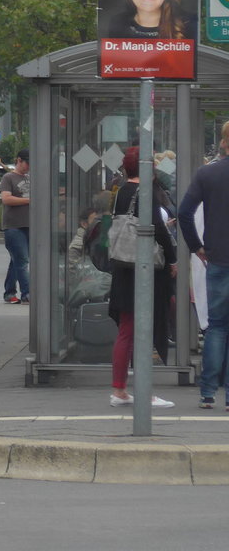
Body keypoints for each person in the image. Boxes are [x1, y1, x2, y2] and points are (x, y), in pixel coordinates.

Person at [108, 147, 177, 409]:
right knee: (146, 329)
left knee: (126, 329)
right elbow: (157, 230)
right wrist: (172, 259)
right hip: (144, 270)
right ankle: (145, 393)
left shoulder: (120, 192)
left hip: (123, 268)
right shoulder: (145, 193)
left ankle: (119, 390)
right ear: (146, 167)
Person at [179, 120, 229, 411]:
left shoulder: (207, 174)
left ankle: (208, 392)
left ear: (223, 142)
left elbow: (185, 212)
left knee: (217, 327)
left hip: (217, 259)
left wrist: (197, 247)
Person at [0, 148, 31, 305]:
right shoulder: (8, 177)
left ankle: (9, 292)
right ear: (19, 160)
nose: (29, 166)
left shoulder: (30, 178)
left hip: (29, 225)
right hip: (13, 226)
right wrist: (28, 200)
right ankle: (27, 293)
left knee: (17, 260)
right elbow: (6, 199)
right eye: (26, 163)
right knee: (22, 260)